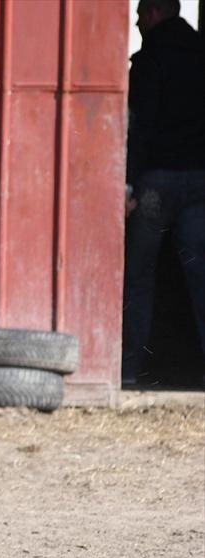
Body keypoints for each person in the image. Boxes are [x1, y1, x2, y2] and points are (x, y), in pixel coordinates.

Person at [122, 0, 205, 385]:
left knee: (139, 276)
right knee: (200, 276)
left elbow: (140, 127)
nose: (137, 23)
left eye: (140, 15)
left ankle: (128, 370)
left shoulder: (150, 60)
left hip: (156, 182)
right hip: (199, 180)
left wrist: (129, 183)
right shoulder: (199, 54)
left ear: (155, 12)